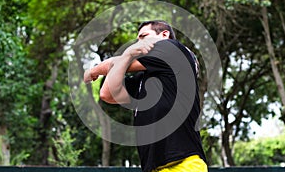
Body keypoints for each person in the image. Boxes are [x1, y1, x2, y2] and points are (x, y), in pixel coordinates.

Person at [84, 20, 207, 172]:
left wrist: (93, 71)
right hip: (153, 167)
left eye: (144, 36)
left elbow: (115, 63)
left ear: (164, 34)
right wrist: (127, 55)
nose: (139, 42)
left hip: (183, 163)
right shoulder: (144, 79)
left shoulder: (172, 48)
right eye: (137, 40)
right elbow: (107, 94)